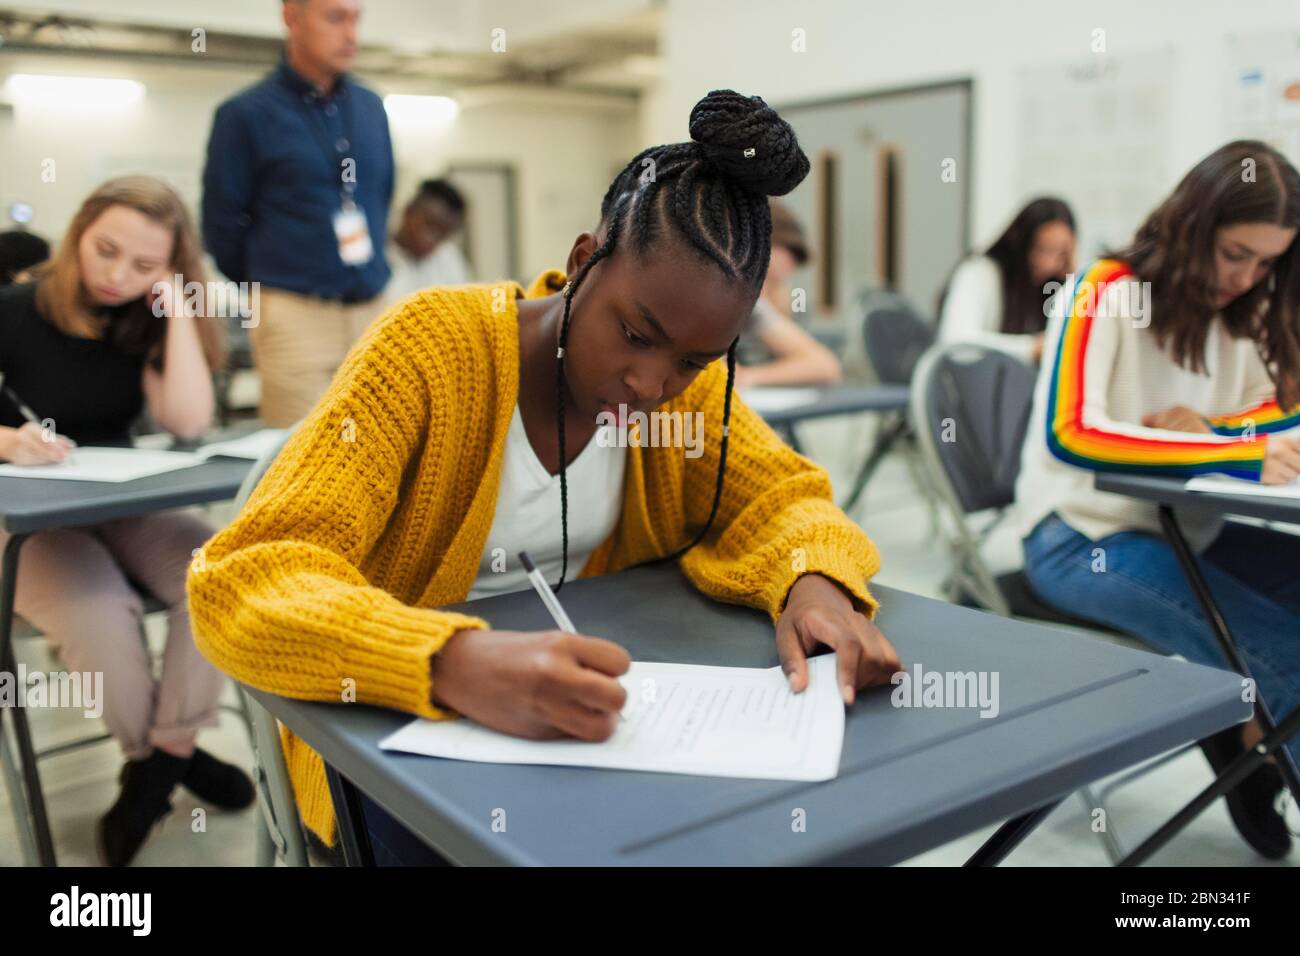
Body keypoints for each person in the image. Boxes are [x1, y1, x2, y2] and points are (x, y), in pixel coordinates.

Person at [188, 89, 900, 865]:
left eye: (694, 361)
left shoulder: (683, 400)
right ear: (583, 259)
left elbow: (783, 496)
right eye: (634, 334)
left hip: (583, 728)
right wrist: (446, 662)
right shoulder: (430, 353)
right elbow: (249, 574)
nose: (650, 385)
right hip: (395, 732)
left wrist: (814, 580)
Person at [1015, 142, 1300, 859]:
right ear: (1193, 223)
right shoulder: (1103, 289)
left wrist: (1217, 431)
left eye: (1268, 263)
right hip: (1079, 536)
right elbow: (1070, 435)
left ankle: (1243, 737)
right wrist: (1233, 450)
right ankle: (1252, 738)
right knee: (1290, 655)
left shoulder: (1241, 309)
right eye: (1236, 253)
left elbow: (1274, 413)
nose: (1247, 277)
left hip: (1187, 529)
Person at [0, 176, 253, 867]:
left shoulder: (145, 313)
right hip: (25, 515)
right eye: (104, 250)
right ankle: (171, 761)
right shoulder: (14, 309)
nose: (116, 276)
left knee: (219, 573)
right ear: (78, 231)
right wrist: (10, 442)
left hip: (116, 497)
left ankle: (156, 764)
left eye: (143, 266)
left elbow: (188, 422)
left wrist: (174, 313)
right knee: (97, 610)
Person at [201, 0, 395, 427]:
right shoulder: (245, 115)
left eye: (356, 18)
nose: (351, 34)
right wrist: (274, 281)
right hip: (292, 314)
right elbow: (221, 226)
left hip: (371, 308)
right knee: (304, 459)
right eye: (335, 17)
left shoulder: (370, 107)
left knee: (385, 447)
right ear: (292, 17)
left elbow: (382, 195)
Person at [938, 197, 1077, 364]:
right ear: (1020, 242)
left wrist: (1072, 281)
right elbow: (958, 343)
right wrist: (1031, 348)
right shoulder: (980, 272)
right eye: (1042, 249)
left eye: (1061, 254)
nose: (1048, 263)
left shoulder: (1049, 286)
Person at [733, 200, 841, 386]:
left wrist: (749, 376)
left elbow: (825, 365)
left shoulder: (760, 310)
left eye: (776, 283)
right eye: (766, 279)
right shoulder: (729, 297)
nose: (764, 292)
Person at [384, 178, 473, 304]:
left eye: (444, 234)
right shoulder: (378, 255)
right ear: (409, 211)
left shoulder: (450, 259)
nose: (433, 240)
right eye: (430, 227)